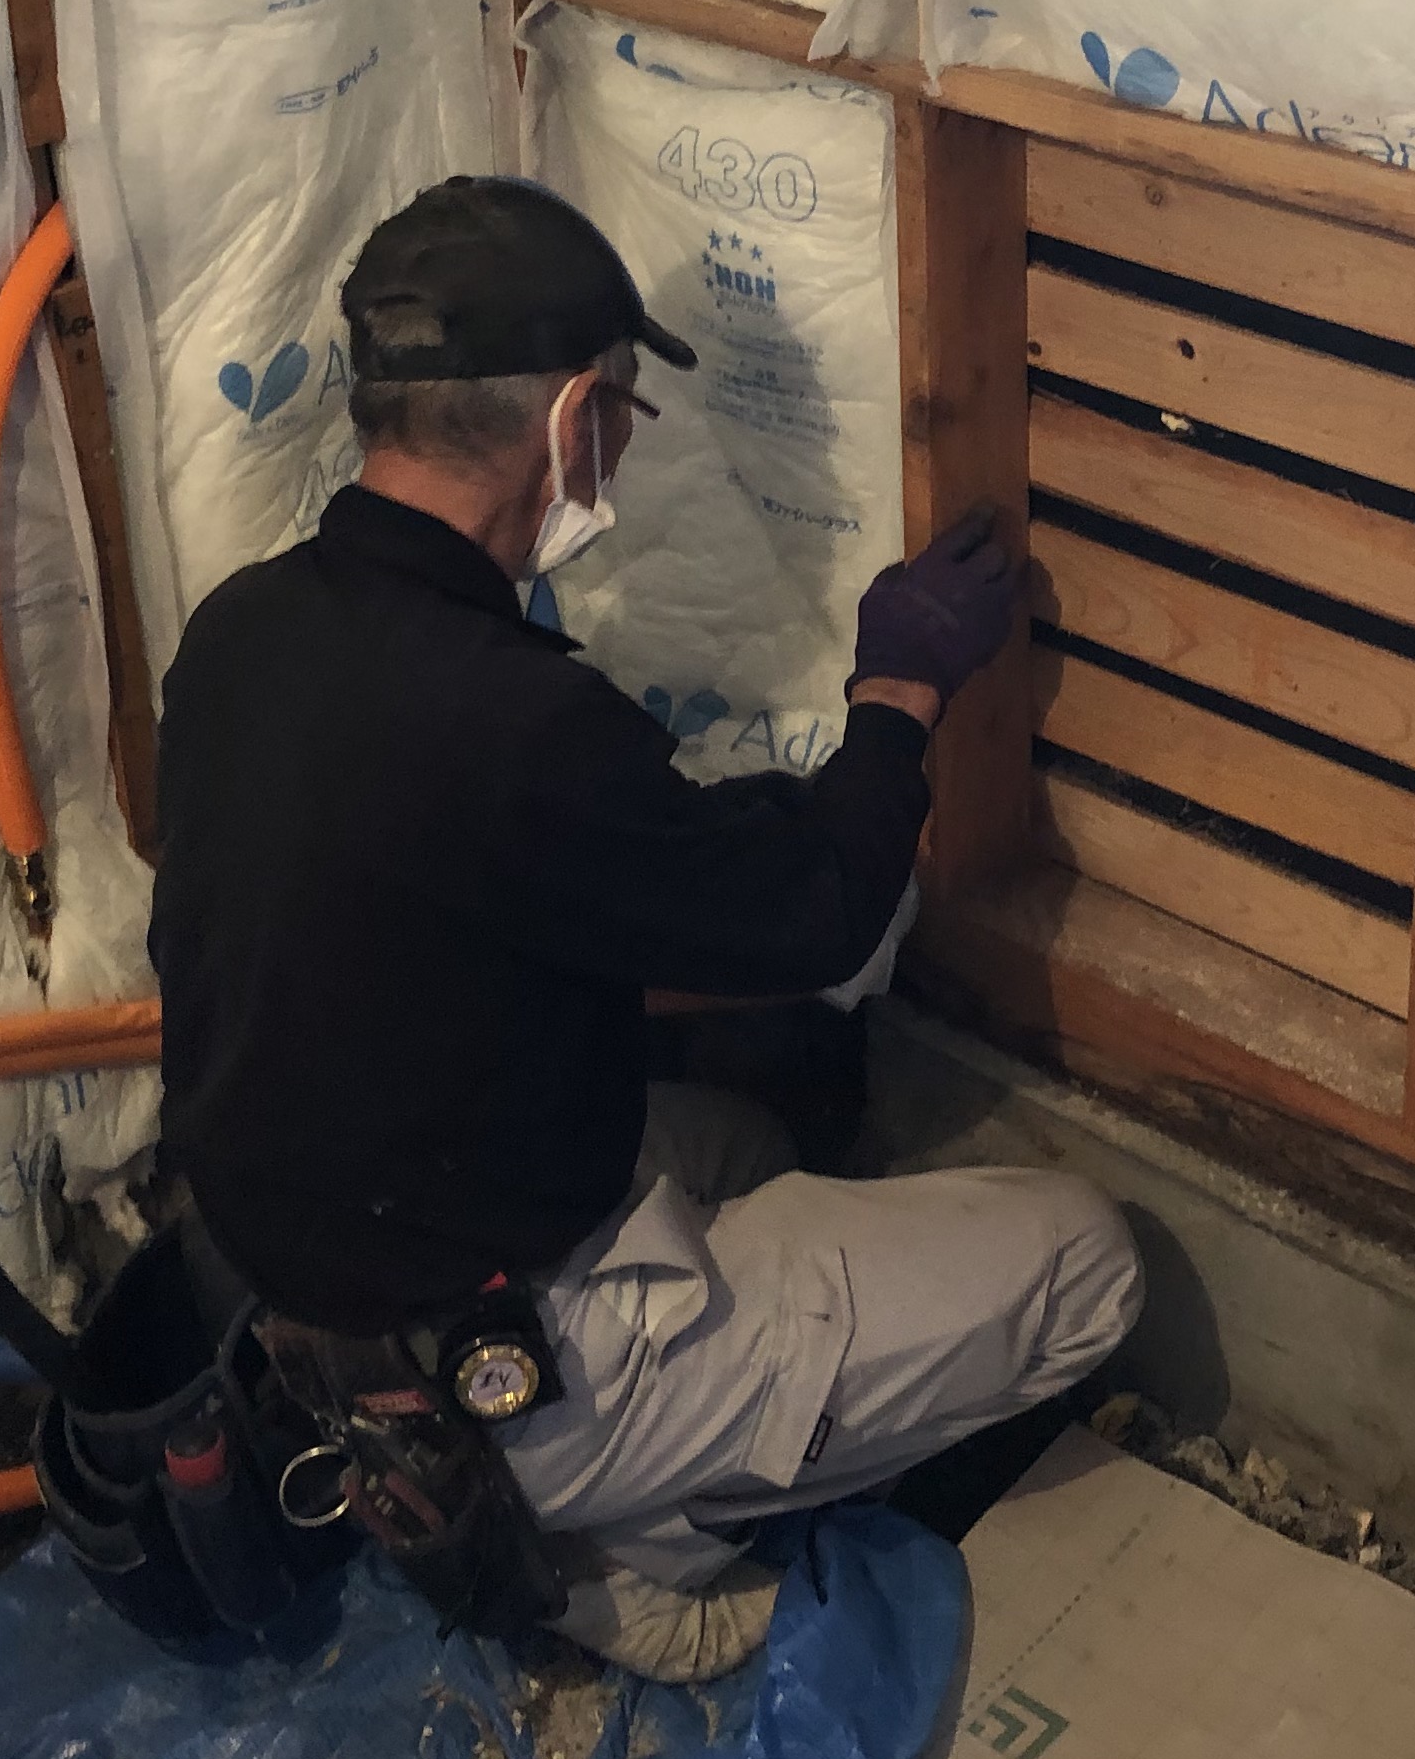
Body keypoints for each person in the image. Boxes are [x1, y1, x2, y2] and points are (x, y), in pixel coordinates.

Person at [151, 176, 1144, 1679]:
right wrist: (898, 693)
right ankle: (602, 1552)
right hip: (500, 1369)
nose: (615, 447)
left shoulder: (244, 633)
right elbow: (815, 915)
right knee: (1086, 1261)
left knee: (747, 1145)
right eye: (618, 411)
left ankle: (609, 1455)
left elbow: (556, 863)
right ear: (571, 421)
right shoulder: (513, 724)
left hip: (320, 1293)